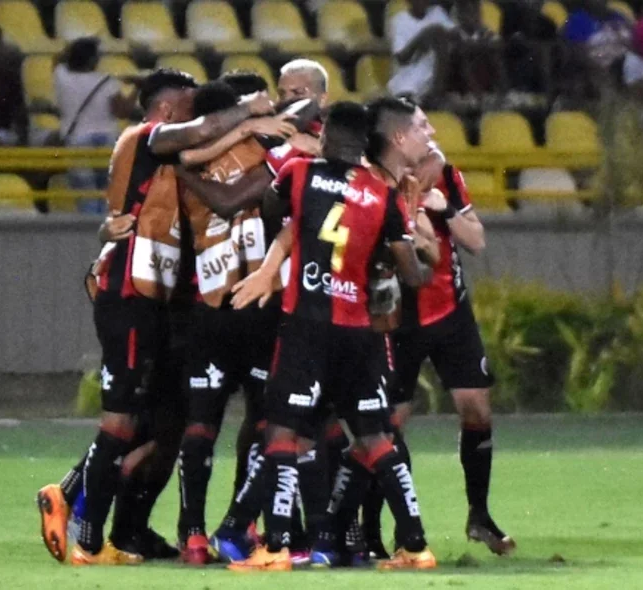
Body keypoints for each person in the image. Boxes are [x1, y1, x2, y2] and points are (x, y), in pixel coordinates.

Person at [34, 68, 276, 566]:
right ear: (166, 112)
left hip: (160, 305)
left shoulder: (174, 161)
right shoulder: (145, 137)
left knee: (161, 424)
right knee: (123, 423)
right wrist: (249, 112)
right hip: (131, 297)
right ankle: (83, 529)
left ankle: (124, 533)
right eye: (190, 108)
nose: (200, 120)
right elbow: (206, 135)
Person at [226, 101, 436, 571]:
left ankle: (277, 547)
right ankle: (416, 546)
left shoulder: (299, 174)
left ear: (325, 140)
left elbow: (274, 212)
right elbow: (416, 276)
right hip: (358, 332)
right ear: (365, 145)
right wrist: (406, 232)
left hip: (307, 324)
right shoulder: (382, 197)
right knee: (374, 438)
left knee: (281, 433)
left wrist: (276, 263)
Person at [361, 100, 513, 557]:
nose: (432, 132)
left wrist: (444, 210)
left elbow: (477, 241)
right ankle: (372, 530)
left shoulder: (443, 174)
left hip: (449, 311)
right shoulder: (374, 179)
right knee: (390, 426)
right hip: (397, 320)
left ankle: (479, 515)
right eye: (423, 125)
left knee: (477, 409)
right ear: (399, 136)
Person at [168, 79, 299, 565]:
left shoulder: (185, 157)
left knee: (203, 423)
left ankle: (194, 533)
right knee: (262, 421)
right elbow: (246, 200)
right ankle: (241, 525)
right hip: (257, 307)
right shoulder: (267, 149)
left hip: (210, 307)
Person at [54, 37, 136, 211]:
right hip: (106, 139)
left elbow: (57, 59)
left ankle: (89, 231)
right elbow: (123, 111)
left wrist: (76, 47)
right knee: (106, 191)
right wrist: (137, 88)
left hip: (77, 141)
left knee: (85, 192)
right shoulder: (106, 81)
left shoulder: (61, 76)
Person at [387, 0, 456, 102]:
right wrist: (422, 37)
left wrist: (435, 33)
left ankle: (436, 94)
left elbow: (455, 36)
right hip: (408, 82)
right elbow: (401, 57)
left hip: (434, 81)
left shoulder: (437, 13)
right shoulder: (399, 20)